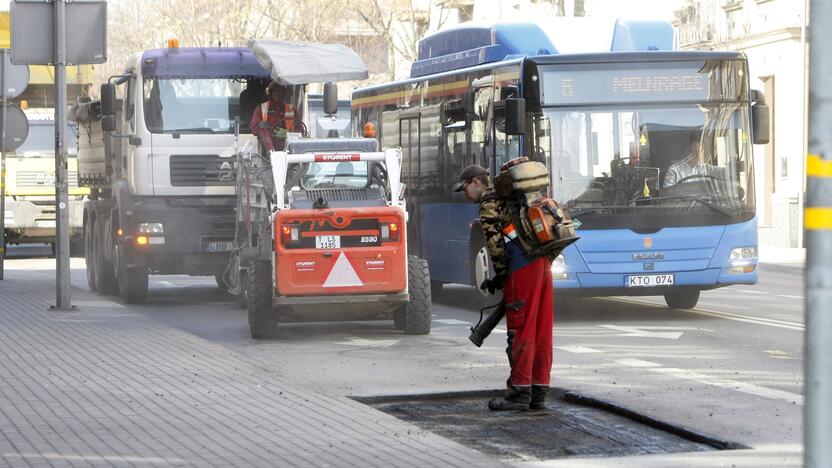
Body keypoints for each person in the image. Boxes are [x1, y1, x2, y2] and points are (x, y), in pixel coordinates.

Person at [454, 165, 554, 411]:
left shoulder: (489, 202)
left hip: (521, 268)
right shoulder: (511, 197)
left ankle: (519, 392)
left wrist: (501, 277)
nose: (466, 195)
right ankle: (538, 393)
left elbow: (496, 245)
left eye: (465, 188)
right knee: (541, 331)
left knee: (521, 329)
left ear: (476, 182)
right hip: (543, 263)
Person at [250, 81, 304, 154]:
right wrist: (271, 129)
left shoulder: (291, 110)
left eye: (280, 91)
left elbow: (300, 130)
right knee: (262, 127)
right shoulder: (261, 108)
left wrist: (283, 133)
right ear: (271, 92)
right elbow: (254, 128)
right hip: (267, 154)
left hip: (289, 151)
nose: (278, 93)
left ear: (283, 93)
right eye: (275, 91)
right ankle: (272, 153)